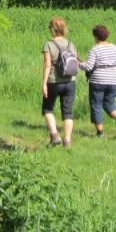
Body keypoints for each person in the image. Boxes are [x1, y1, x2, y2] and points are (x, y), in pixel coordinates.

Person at [83, 23, 116, 137]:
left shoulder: (95, 49)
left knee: (96, 105)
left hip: (98, 81)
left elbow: (88, 66)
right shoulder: (114, 47)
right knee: (109, 103)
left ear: (96, 37)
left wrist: (79, 64)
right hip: (113, 81)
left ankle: (100, 133)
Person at [41, 15, 77, 147]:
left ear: (53, 29)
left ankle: (55, 135)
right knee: (68, 112)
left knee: (47, 109)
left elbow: (47, 65)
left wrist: (44, 83)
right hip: (70, 81)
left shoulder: (49, 44)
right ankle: (67, 140)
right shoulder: (70, 44)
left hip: (54, 82)